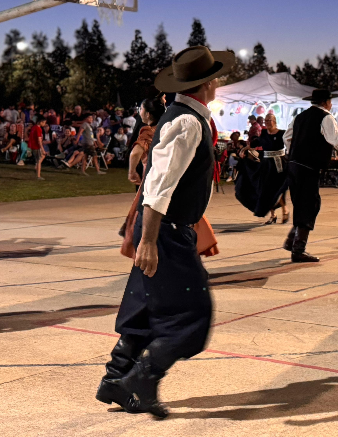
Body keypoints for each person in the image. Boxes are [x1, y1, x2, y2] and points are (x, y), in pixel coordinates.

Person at [95, 46, 234, 418]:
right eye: (215, 76)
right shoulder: (187, 122)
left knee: (147, 305)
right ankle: (144, 377)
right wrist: (151, 240)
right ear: (208, 83)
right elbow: (158, 184)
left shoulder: (186, 117)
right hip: (166, 230)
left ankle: (115, 379)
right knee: (193, 314)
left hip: (164, 227)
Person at [282, 89, 338, 262]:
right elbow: (335, 140)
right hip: (308, 167)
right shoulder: (326, 117)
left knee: (304, 203)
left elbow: (287, 137)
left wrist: (297, 151)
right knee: (309, 204)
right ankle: (297, 248)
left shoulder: (300, 117)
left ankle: (294, 239)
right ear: (327, 102)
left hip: (294, 165)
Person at [235, 113, 289, 223]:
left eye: (269, 120)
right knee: (265, 190)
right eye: (266, 121)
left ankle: (285, 210)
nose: (267, 122)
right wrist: (243, 150)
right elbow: (254, 144)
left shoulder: (282, 133)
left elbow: (291, 143)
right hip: (267, 165)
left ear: (274, 121)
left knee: (279, 188)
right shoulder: (263, 133)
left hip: (279, 164)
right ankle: (273, 215)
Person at [127, 98, 164, 184]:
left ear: (148, 114)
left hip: (151, 176)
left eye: (141, 109)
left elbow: (135, 153)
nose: (139, 112)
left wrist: (131, 172)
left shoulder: (148, 132)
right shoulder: (166, 128)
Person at [29, 116, 47, 180]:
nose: (44, 124)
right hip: (36, 146)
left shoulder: (33, 127)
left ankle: (36, 167)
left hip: (33, 145)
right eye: (44, 122)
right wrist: (42, 149)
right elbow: (39, 140)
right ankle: (38, 175)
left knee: (40, 158)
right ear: (41, 122)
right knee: (39, 160)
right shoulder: (38, 129)